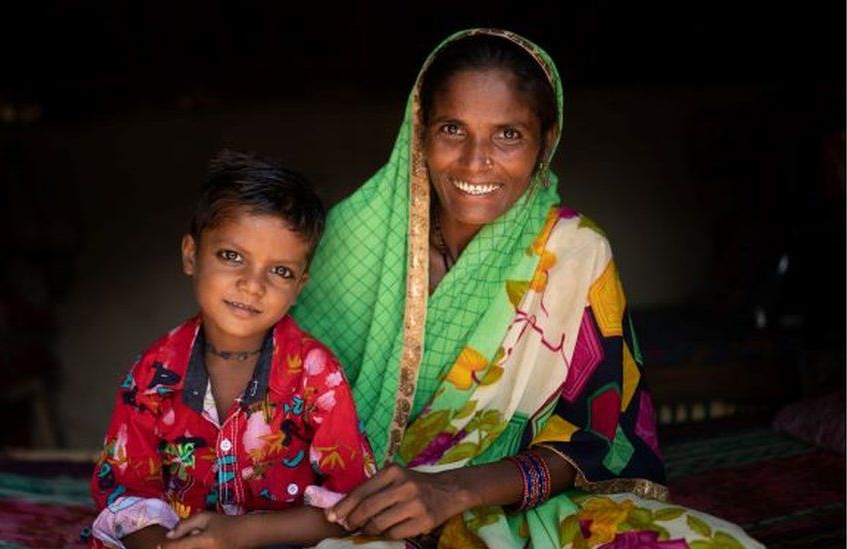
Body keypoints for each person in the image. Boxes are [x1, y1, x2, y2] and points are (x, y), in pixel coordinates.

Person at [292, 29, 762, 547]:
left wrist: (452, 491)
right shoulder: (354, 242)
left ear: (546, 140)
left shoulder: (574, 252)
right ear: (420, 130)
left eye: (508, 135)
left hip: (510, 506)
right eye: (453, 128)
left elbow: (594, 440)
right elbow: (277, 406)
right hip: (356, 510)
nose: (476, 161)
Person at [90, 150, 377, 549]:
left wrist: (240, 535)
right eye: (232, 256)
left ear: (300, 286)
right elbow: (124, 495)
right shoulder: (153, 372)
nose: (252, 284)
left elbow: (351, 508)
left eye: (280, 271)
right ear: (191, 255)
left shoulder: (317, 376)